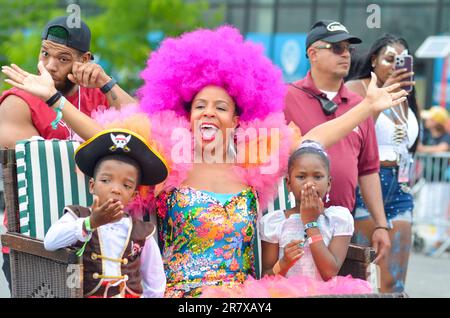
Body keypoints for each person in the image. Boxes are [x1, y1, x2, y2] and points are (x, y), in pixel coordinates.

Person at [2, 26, 407, 298]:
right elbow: (106, 139)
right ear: (188, 114)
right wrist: (54, 98)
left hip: (247, 295)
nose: (209, 113)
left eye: (220, 107)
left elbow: (314, 141)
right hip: (181, 294)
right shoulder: (166, 160)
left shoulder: (256, 159)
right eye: (200, 106)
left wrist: (367, 106)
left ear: (237, 118)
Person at [0, 16, 136, 292]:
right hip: (38, 242)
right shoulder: (18, 101)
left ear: (85, 59)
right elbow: (45, 171)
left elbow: (145, 135)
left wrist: (107, 82)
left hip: (104, 241)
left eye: (63, 59)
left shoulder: (99, 94)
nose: (50, 65)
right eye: (45, 53)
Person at [200, 141, 373, 297]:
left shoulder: (338, 218)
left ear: (329, 183)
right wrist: (283, 263)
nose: (309, 183)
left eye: (318, 176)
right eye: (301, 176)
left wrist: (310, 223)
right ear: (288, 184)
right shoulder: (275, 222)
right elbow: (266, 277)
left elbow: (329, 272)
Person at [284, 20, 391, 266]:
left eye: (348, 49)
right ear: (312, 53)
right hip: (292, 224)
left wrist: (381, 225)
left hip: (341, 226)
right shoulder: (285, 97)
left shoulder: (360, 104)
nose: (345, 54)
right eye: (336, 48)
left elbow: (368, 169)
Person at [44, 128, 168, 297]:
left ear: (133, 195)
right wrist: (90, 223)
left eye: (126, 185)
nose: (115, 189)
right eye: (106, 180)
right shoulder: (76, 216)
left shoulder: (142, 232)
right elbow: (50, 242)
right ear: (92, 186)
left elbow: (155, 283)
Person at [345, 34, 420, 292]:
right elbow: (357, 133)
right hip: (368, 183)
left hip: (400, 187)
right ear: (374, 59)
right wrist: (378, 99)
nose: (395, 66)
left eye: (402, 60)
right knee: (362, 277)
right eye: (390, 59)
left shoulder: (406, 96)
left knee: (394, 281)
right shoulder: (357, 88)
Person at [416, 106, 450, 255]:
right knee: (425, 209)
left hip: (441, 181)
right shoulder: (428, 135)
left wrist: (424, 150)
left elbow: (443, 148)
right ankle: (425, 238)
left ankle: (439, 241)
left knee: (438, 211)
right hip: (427, 179)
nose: (427, 120)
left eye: (430, 118)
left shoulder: (445, 136)